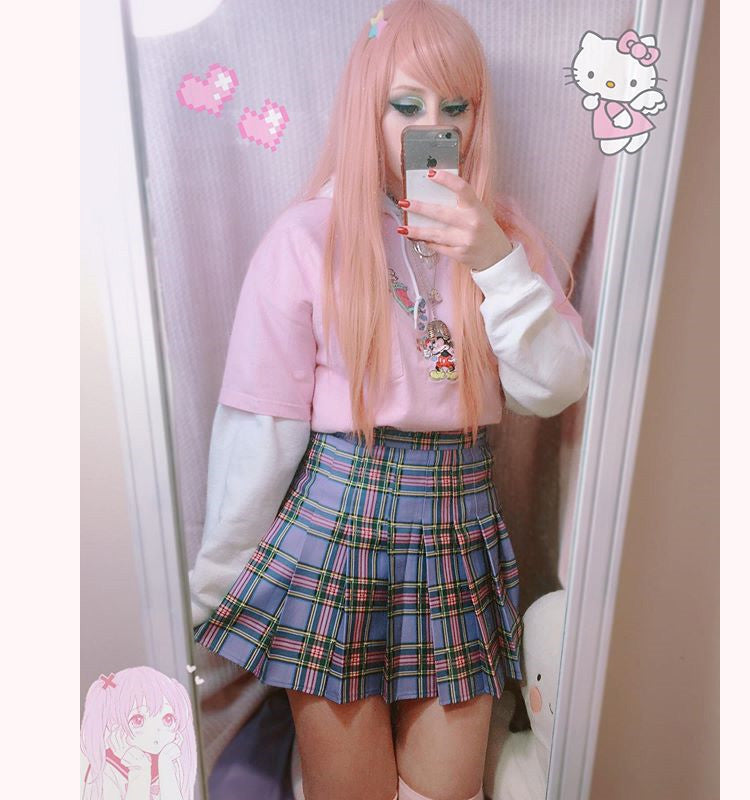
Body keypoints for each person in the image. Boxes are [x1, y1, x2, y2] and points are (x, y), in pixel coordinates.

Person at [189, 2, 593, 799]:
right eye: (406, 106)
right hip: (337, 525)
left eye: (455, 106)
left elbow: (555, 387)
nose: (433, 127)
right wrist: (214, 584)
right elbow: (262, 425)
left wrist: (493, 259)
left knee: (448, 790)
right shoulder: (309, 238)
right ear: (365, 110)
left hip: (457, 524)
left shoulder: (502, 237)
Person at [80, 666, 197, 800]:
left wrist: (166, 768)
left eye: (168, 719)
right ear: (114, 728)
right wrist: (139, 769)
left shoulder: (168, 758)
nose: (157, 732)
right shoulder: (106, 770)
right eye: (138, 720)